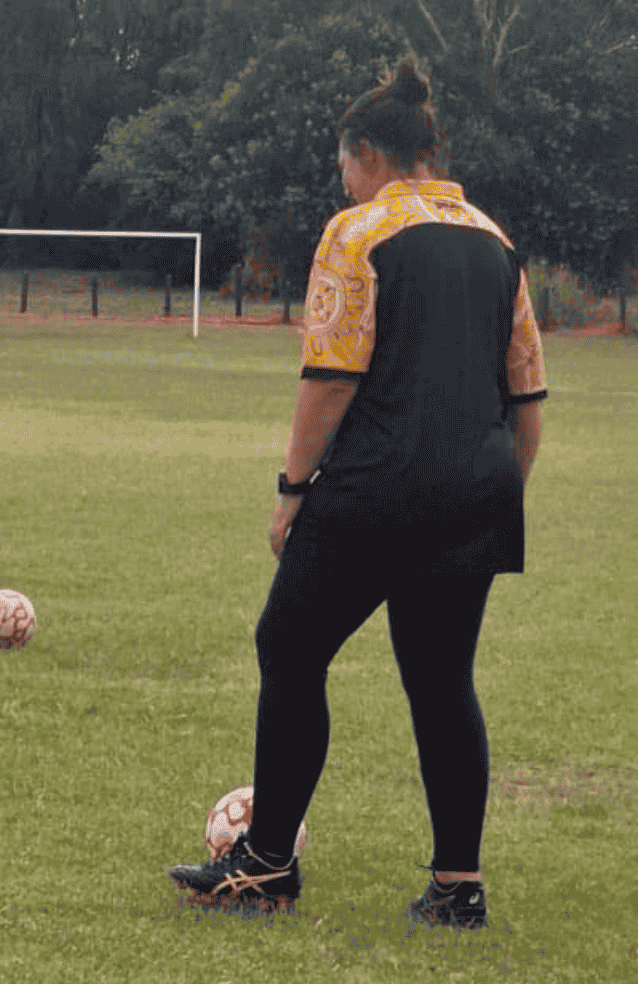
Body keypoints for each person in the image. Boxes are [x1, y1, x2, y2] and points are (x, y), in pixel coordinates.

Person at [167, 59, 547, 928]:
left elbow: (330, 381)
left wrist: (292, 489)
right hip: (477, 488)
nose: (342, 179)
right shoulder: (495, 238)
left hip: (378, 485)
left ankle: (264, 866)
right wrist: (497, 495)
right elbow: (527, 395)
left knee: (289, 648)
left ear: (368, 154)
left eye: (344, 163)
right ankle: (459, 888)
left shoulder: (357, 231)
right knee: (443, 681)